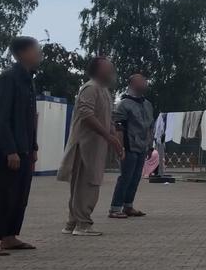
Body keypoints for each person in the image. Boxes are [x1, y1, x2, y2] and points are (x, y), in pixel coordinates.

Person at [0, 36, 41, 256]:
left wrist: (33, 146)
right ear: (22, 53)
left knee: (19, 196)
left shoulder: (28, 79)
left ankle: (9, 237)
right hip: (7, 150)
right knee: (3, 195)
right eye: (36, 50)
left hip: (23, 148)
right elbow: (1, 118)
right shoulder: (8, 78)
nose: (39, 53)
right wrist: (10, 149)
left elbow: (29, 117)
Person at [58, 57, 122, 236]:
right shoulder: (90, 88)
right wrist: (107, 135)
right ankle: (83, 224)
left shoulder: (104, 91)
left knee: (86, 184)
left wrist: (114, 139)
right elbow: (86, 114)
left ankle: (73, 222)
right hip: (84, 146)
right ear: (99, 70)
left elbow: (108, 119)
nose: (112, 71)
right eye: (109, 68)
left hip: (96, 147)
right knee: (85, 185)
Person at [108, 74, 153, 219]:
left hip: (142, 146)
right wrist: (119, 147)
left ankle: (128, 205)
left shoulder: (147, 104)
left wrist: (149, 145)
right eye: (141, 81)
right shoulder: (124, 104)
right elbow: (118, 126)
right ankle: (115, 207)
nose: (144, 84)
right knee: (126, 177)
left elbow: (149, 127)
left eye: (145, 81)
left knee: (136, 177)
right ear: (132, 84)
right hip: (129, 146)